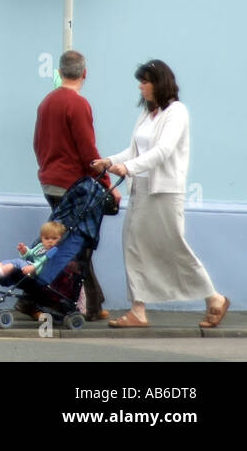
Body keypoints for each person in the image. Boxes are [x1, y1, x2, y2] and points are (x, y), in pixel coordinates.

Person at [93, 60, 231, 329]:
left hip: (165, 191)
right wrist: (109, 161)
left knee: (172, 245)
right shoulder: (147, 114)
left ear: (159, 83)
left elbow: (163, 151)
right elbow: (134, 151)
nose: (140, 86)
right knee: (133, 245)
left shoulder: (176, 113)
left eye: (145, 81)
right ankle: (138, 310)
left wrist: (128, 168)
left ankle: (214, 298)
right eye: (141, 81)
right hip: (142, 190)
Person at [32, 49, 114, 321]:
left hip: (50, 181)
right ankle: (38, 296)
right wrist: (106, 184)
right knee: (77, 245)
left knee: (74, 244)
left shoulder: (46, 102)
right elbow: (88, 151)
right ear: (84, 73)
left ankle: (94, 302)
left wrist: (45, 170)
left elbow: (38, 143)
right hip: (73, 186)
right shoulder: (78, 104)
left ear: (59, 72)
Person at [0, 221, 65, 280]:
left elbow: (43, 261)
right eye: (46, 238)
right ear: (42, 238)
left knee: (16, 262)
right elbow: (31, 254)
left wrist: (33, 267)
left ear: (60, 239)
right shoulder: (40, 246)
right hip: (29, 264)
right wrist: (24, 251)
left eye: (54, 238)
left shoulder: (55, 250)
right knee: (12, 261)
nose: (50, 241)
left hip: (36, 270)